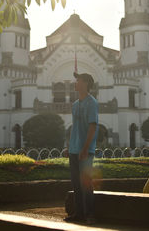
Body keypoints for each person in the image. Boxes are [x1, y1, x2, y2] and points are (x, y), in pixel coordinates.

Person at [64, 72, 99, 224]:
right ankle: (79, 214)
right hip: (74, 150)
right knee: (76, 184)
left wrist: (85, 148)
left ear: (85, 83)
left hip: (86, 151)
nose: (75, 83)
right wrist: (69, 146)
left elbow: (93, 127)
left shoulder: (92, 103)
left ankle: (89, 214)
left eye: (78, 80)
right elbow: (74, 128)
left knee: (86, 183)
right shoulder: (75, 104)